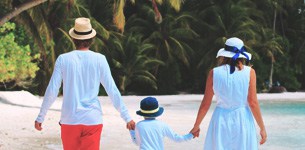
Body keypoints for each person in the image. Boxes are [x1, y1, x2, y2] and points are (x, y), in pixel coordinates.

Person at [34, 17, 135, 150]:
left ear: (73, 39)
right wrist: (127, 117)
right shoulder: (100, 59)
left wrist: (41, 117)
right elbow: (112, 90)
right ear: (92, 40)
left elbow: (52, 90)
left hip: (70, 120)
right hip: (92, 120)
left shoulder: (63, 59)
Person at [190, 37, 267, 150]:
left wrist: (196, 126)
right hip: (242, 119)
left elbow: (206, 104)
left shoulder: (213, 73)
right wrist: (262, 128)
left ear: (224, 54)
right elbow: (252, 102)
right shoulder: (250, 72)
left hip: (220, 118)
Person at [130, 97, 197, 150]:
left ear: (142, 113)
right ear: (157, 113)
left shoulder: (139, 125)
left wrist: (132, 131)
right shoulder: (162, 125)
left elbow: (137, 143)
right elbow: (177, 138)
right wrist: (191, 135)